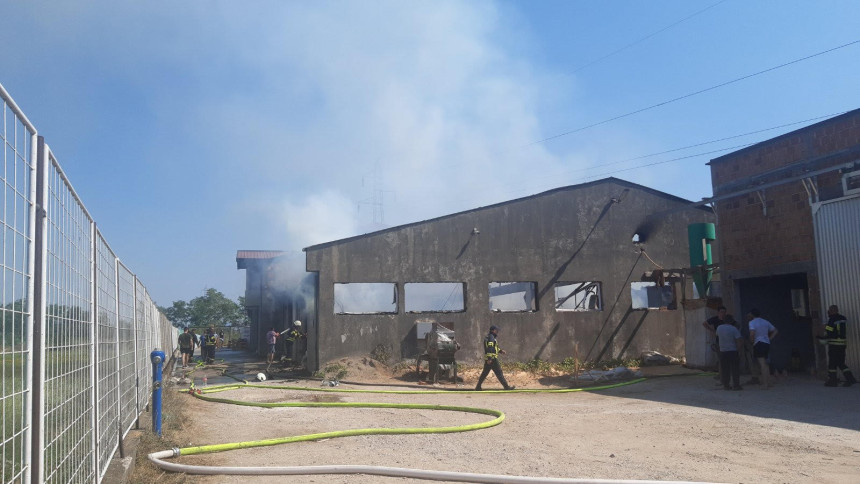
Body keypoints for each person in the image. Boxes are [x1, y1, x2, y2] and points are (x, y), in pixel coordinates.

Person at [821, 305, 856, 387]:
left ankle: (832, 381)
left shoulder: (832, 319)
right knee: (841, 362)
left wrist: (825, 327)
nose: (828, 312)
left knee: (832, 364)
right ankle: (850, 379)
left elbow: (831, 331)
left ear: (832, 311)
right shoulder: (843, 318)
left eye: (829, 310)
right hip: (842, 344)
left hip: (834, 344)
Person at [475, 325, 515, 391]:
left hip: (490, 359)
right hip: (492, 359)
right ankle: (506, 387)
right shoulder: (491, 337)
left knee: (484, 373)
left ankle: (478, 387)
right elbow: (490, 348)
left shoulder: (490, 337)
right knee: (499, 373)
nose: (497, 332)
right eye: (496, 330)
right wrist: (490, 358)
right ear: (493, 330)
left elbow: (494, 348)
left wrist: (500, 351)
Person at [747, 308, 778, 389]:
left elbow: (752, 333)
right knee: (766, 364)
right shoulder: (765, 321)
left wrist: (752, 341)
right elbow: (775, 330)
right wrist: (769, 338)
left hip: (758, 343)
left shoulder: (752, 322)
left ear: (752, 314)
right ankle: (769, 382)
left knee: (762, 364)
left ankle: (765, 384)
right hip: (766, 343)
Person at [703, 306, 731, 382]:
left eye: (724, 312)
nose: (723, 314)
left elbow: (736, 325)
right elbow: (705, 323)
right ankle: (721, 375)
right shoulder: (715, 319)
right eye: (721, 312)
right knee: (721, 359)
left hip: (729, 342)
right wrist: (712, 331)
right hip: (719, 341)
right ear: (718, 312)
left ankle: (725, 375)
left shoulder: (727, 320)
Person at [716, 319, 744, 390]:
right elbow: (739, 341)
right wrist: (739, 350)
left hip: (723, 351)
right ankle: (736, 385)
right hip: (732, 351)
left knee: (725, 369)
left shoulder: (719, 328)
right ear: (732, 322)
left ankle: (726, 385)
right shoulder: (734, 329)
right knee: (735, 369)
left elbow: (717, 336)